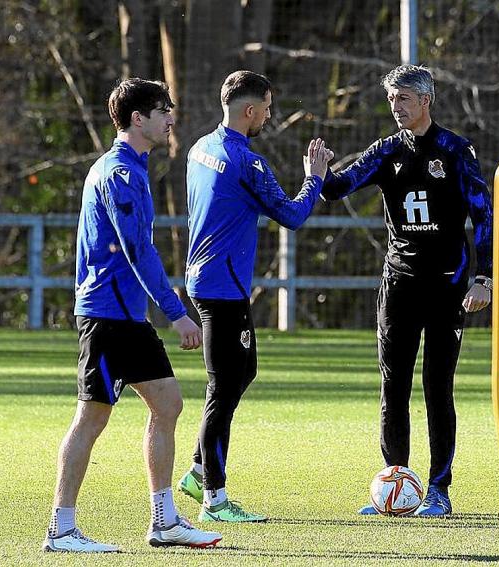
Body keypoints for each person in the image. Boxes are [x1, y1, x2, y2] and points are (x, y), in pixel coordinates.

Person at [42, 78, 222, 552]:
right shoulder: (119, 172)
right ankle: (61, 529)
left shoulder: (135, 168)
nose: (170, 118)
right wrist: (177, 312)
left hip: (128, 318)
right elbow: (137, 249)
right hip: (107, 318)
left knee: (168, 405)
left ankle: (164, 522)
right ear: (137, 119)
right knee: (91, 419)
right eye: (163, 110)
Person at [320, 65, 493, 517]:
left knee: (438, 387)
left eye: (404, 99)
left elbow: (483, 217)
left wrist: (484, 278)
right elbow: (337, 189)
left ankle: (439, 489)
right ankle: (396, 482)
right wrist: (317, 172)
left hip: (447, 286)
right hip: (398, 285)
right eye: (392, 99)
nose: (396, 107)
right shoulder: (385, 151)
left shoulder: (456, 151)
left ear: (426, 101)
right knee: (392, 385)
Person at [176, 70, 333, 522]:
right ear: (250, 110)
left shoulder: (200, 148)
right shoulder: (248, 162)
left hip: (204, 278)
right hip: (223, 287)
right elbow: (292, 214)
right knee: (222, 389)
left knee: (244, 370)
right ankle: (214, 499)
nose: (268, 114)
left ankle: (197, 471)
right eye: (266, 107)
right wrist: (314, 177)